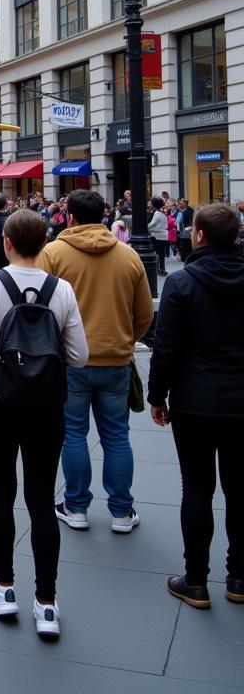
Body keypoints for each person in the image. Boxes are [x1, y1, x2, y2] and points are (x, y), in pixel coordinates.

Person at [0, 209, 88, 638]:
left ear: (6, 242)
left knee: (0, 492)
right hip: (46, 406)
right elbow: (80, 354)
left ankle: (4, 587)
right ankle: (46, 603)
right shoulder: (60, 288)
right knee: (43, 500)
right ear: (45, 243)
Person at [39, 189, 153, 534]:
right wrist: (124, 339)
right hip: (116, 359)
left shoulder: (54, 253)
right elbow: (144, 314)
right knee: (117, 436)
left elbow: (40, 311)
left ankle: (76, 507)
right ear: (104, 215)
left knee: (73, 434)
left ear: (68, 217)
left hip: (70, 361)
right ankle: (121, 511)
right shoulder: (128, 255)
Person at [148, 202, 244, 609]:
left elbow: (165, 346)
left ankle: (196, 579)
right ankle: (238, 576)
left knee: (197, 489)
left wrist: (157, 395)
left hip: (195, 400)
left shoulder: (182, 282)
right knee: (240, 490)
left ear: (198, 235)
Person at [148, 196, 169, 275]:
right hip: (163, 236)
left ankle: (160, 269)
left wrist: (144, 227)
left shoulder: (157, 213)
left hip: (157, 236)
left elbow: (152, 224)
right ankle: (162, 269)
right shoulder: (162, 214)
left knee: (158, 253)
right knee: (161, 254)